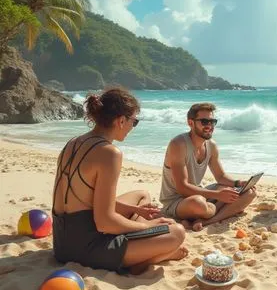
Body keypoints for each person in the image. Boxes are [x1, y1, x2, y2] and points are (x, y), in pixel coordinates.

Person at [52, 87, 188, 275]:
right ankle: (148, 259)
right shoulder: (109, 153)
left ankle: (140, 249)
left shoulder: (73, 142)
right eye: (135, 121)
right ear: (121, 120)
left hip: (61, 242)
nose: (133, 127)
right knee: (177, 232)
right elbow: (104, 223)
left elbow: (85, 201)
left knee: (142, 196)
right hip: (84, 249)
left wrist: (135, 211)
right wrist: (147, 226)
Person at [160, 103, 257, 231]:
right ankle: (211, 212)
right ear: (190, 123)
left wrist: (238, 183)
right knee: (199, 203)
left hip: (199, 194)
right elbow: (182, 188)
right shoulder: (178, 144)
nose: (209, 126)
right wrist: (218, 195)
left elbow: (221, 177)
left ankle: (206, 221)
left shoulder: (211, 145)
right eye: (205, 121)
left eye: (212, 122)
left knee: (249, 192)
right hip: (175, 202)